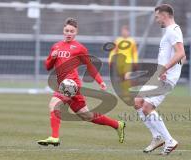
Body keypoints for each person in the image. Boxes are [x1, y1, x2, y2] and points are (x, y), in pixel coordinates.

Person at [37, 17, 125, 146]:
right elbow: (48, 67)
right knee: (86, 116)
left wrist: (100, 81)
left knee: (54, 104)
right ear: (63, 30)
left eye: (72, 31)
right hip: (63, 84)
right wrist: (52, 56)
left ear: (76, 32)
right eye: (67, 30)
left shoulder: (79, 48)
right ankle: (118, 125)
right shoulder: (56, 46)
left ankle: (54, 137)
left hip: (72, 83)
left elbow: (90, 66)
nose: (69, 33)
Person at [134, 4, 186, 155]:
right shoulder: (170, 31)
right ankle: (157, 137)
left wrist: (166, 70)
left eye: (157, 17)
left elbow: (181, 53)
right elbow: (183, 56)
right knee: (138, 102)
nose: (156, 20)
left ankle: (169, 141)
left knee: (147, 108)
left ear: (164, 15)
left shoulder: (173, 30)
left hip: (165, 77)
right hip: (160, 75)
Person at [108, 25, 138, 102]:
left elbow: (134, 52)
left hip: (128, 62)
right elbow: (114, 51)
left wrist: (135, 61)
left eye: (126, 31)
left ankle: (126, 94)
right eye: (123, 31)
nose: (124, 32)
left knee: (127, 78)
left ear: (129, 32)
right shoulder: (118, 40)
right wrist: (110, 60)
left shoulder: (132, 41)